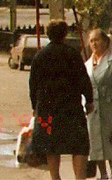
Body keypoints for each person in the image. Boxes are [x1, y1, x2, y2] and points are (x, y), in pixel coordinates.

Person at [29, 20, 93, 180]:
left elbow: (33, 84)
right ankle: (79, 177)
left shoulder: (40, 56)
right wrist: (89, 100)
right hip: (71, 107)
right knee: (79, 144)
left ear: (47, 34)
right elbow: (83, 79)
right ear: (64, 34)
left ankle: (55, 177)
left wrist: (34, 106)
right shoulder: (72, 54)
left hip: (47, 108)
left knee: (52, 145)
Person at [86, 29, 112, 179]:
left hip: (109, 106)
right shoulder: (88, 63)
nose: (94, 43)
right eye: (91, 41)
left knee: (110, 141)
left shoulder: (110, 60)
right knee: (96, 143)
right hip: (93, 108)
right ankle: (103, 174)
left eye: (97, 40)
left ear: (106, 42)